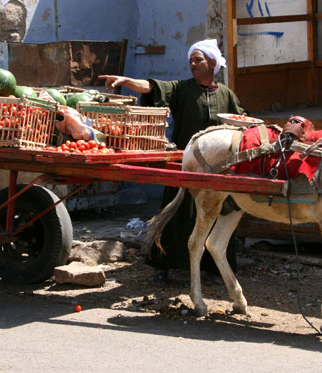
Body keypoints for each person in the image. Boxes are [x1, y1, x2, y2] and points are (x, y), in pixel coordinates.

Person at [99, 39, 245, 284]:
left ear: (211, 63)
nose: (192, 64)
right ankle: (163, 265)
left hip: (216, 167)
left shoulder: (227, 95)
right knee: (175, 212)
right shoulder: (182, 89)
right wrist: (125, 81)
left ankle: (212, 268)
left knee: (213, 212)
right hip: (186, 162)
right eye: (191, 60)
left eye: (198, 60)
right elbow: (152, 87)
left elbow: (240, 119)